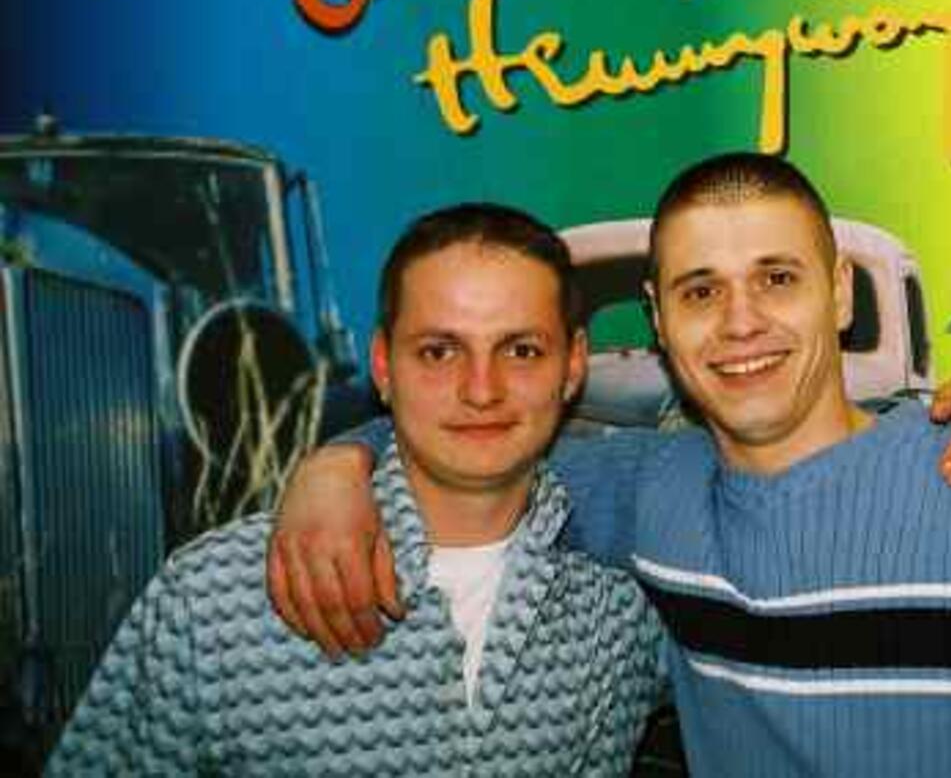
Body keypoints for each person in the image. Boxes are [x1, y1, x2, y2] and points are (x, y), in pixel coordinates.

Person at [273, 155, 951, 776]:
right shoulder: (650, 489)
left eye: (775, 279)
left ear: (836, 293)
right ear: (658, 321)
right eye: (700, 291)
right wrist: (332, 466)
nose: (740, 323)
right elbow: (475, 450)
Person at [49, 205, 664, 775]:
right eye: (439, 351)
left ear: (573, 366)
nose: (482, 390)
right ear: (383, 366)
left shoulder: (629, 602)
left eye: (522, 350)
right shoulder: (212, 598)